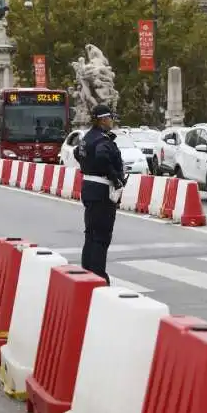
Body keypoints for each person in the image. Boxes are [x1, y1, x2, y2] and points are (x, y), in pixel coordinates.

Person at [73, 104, 125, 285]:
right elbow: (103, 157)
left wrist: (90, 166)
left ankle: (87, 271)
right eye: (110, 117)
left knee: (91, 234)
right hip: (102, 190)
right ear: (103, 119)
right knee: (101, 236)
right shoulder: (102, 140)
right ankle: (98, 276)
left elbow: (76, 153)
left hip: (88, 188)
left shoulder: (87, 137)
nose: (112, 121)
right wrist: (115, 177)